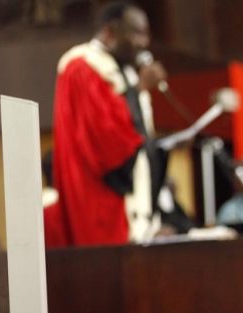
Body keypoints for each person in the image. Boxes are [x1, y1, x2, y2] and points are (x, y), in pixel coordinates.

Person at [51, 1, 168, 246]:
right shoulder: (82, 67)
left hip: (126, 199)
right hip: (99, 200)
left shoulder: (123, 70)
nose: (143, 43)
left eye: (146, 34)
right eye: (136, 33)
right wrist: (139, 90)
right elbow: (110, 141)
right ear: (110, 32)